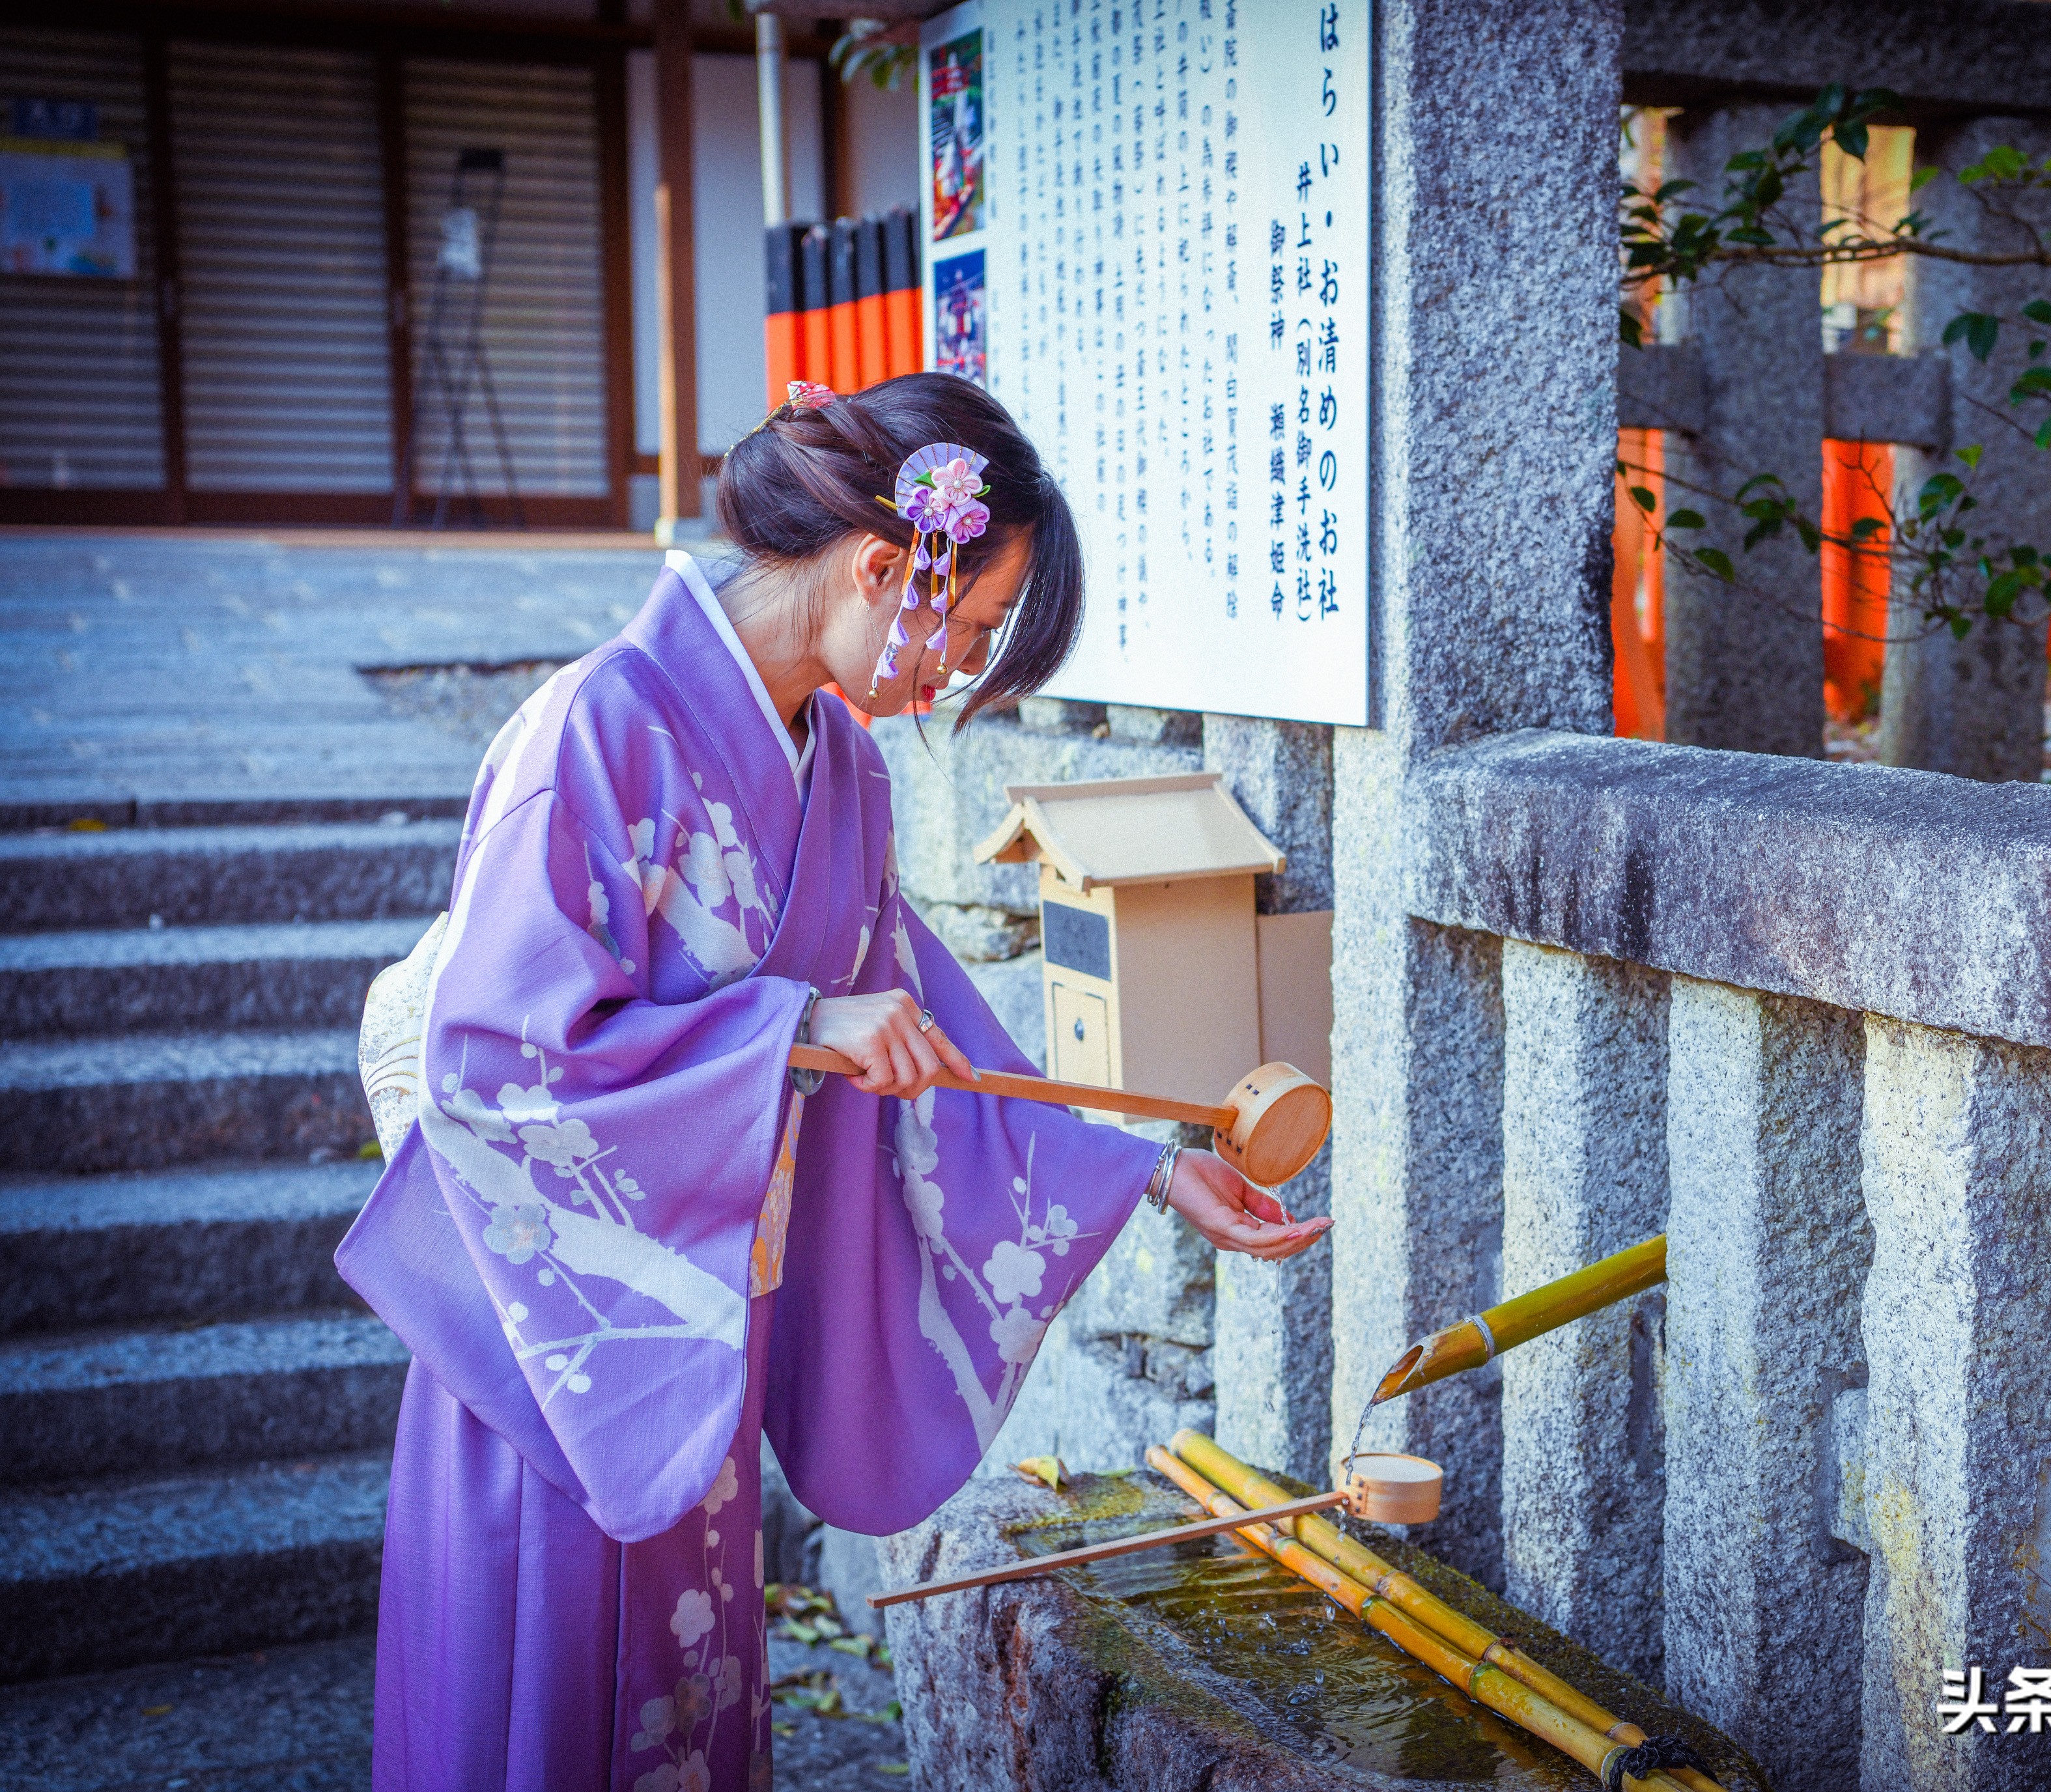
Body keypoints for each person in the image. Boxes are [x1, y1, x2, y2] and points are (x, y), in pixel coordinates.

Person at [337, 372, 1329, 1792]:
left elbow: (929, 1044)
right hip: (561, 1340)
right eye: (970, 628)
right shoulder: (598, 729)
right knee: (546, 1721)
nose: (959, 675)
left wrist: (1151, 1167)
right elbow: (496, 1061)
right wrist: (795, 1023)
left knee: (687, 1713)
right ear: (879, 566)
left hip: (708, 1340)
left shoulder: (842, 770)